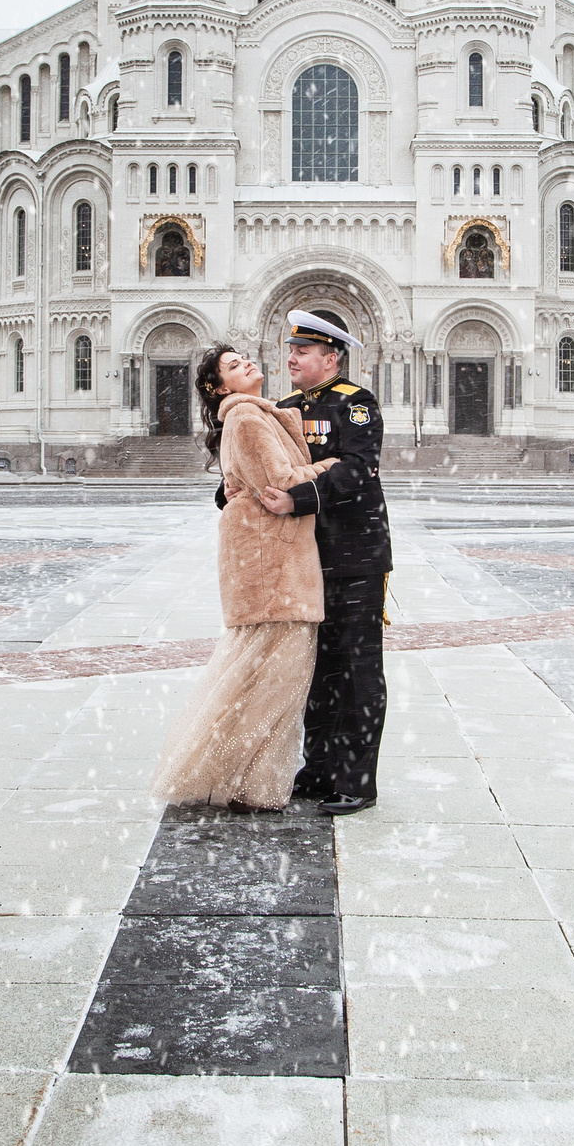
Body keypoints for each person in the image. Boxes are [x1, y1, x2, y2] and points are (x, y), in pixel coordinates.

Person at [219, 308, 392, 815]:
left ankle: (356, 781)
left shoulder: (356, 405)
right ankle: (317, 770)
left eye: (303, 351)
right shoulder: (283, 408)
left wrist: (300, 500)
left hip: (355, 556)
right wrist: (228, 489)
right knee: (315, 670)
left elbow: (358, 470)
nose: (291, 358)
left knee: (355, 669)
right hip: (301, 560)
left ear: (330, 358)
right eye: (290, 350)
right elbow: (263, 468)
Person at [150, 344, 334, 811]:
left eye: (245, 359)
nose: (247, 364)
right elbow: (283, 481)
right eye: (234, 366)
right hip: (273, 563)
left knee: (261, 673)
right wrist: (331, 467)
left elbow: (258, 477)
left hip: (272, 559)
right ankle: (231, 774)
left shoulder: (256, 414)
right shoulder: (248, 419)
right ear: (221, 387)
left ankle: (236, 775)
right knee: (270, 678)